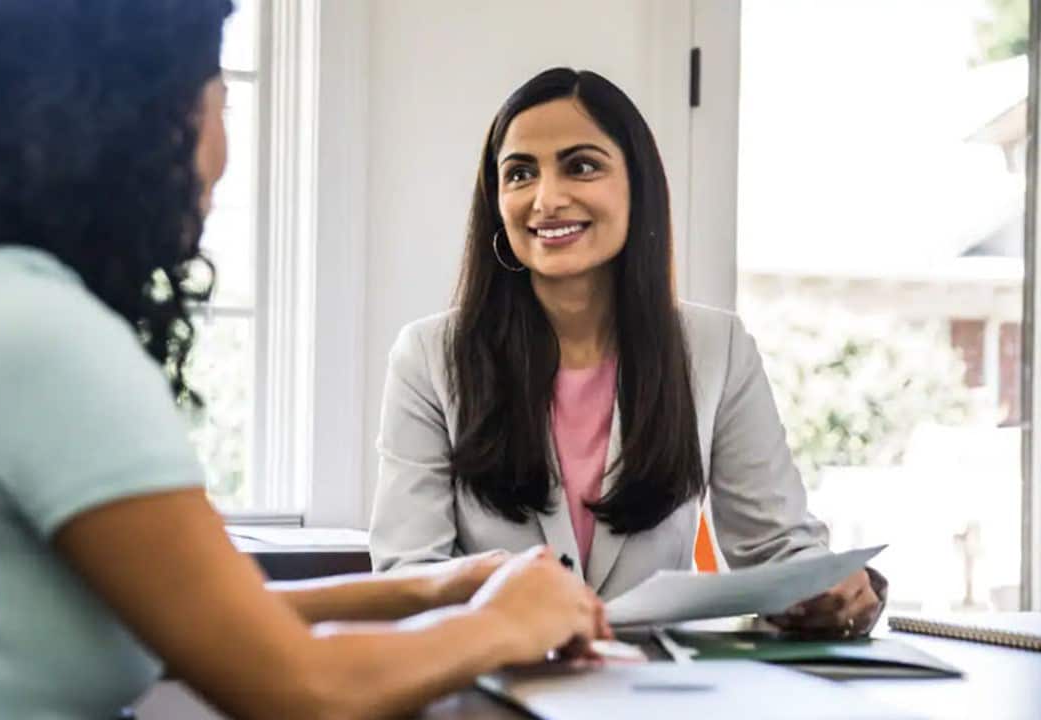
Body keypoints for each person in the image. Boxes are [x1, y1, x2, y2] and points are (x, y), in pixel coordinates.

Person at [0, 4, 609, 718]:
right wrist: (507, 622)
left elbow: (194, 613)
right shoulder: (37, 336)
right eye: (219, 104)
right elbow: (297, 685)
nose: (223, 152)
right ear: (142, 121)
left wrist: (430, 590)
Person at [369, 67, 886, 638]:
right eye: (520, 174)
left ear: (637, 186)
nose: (547, 199)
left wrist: (825, 590)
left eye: (581, 165)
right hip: (491, 684)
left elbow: (776, 545)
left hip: (654, 690)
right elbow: (408, 577)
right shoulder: (428, 358)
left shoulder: (718, 349)